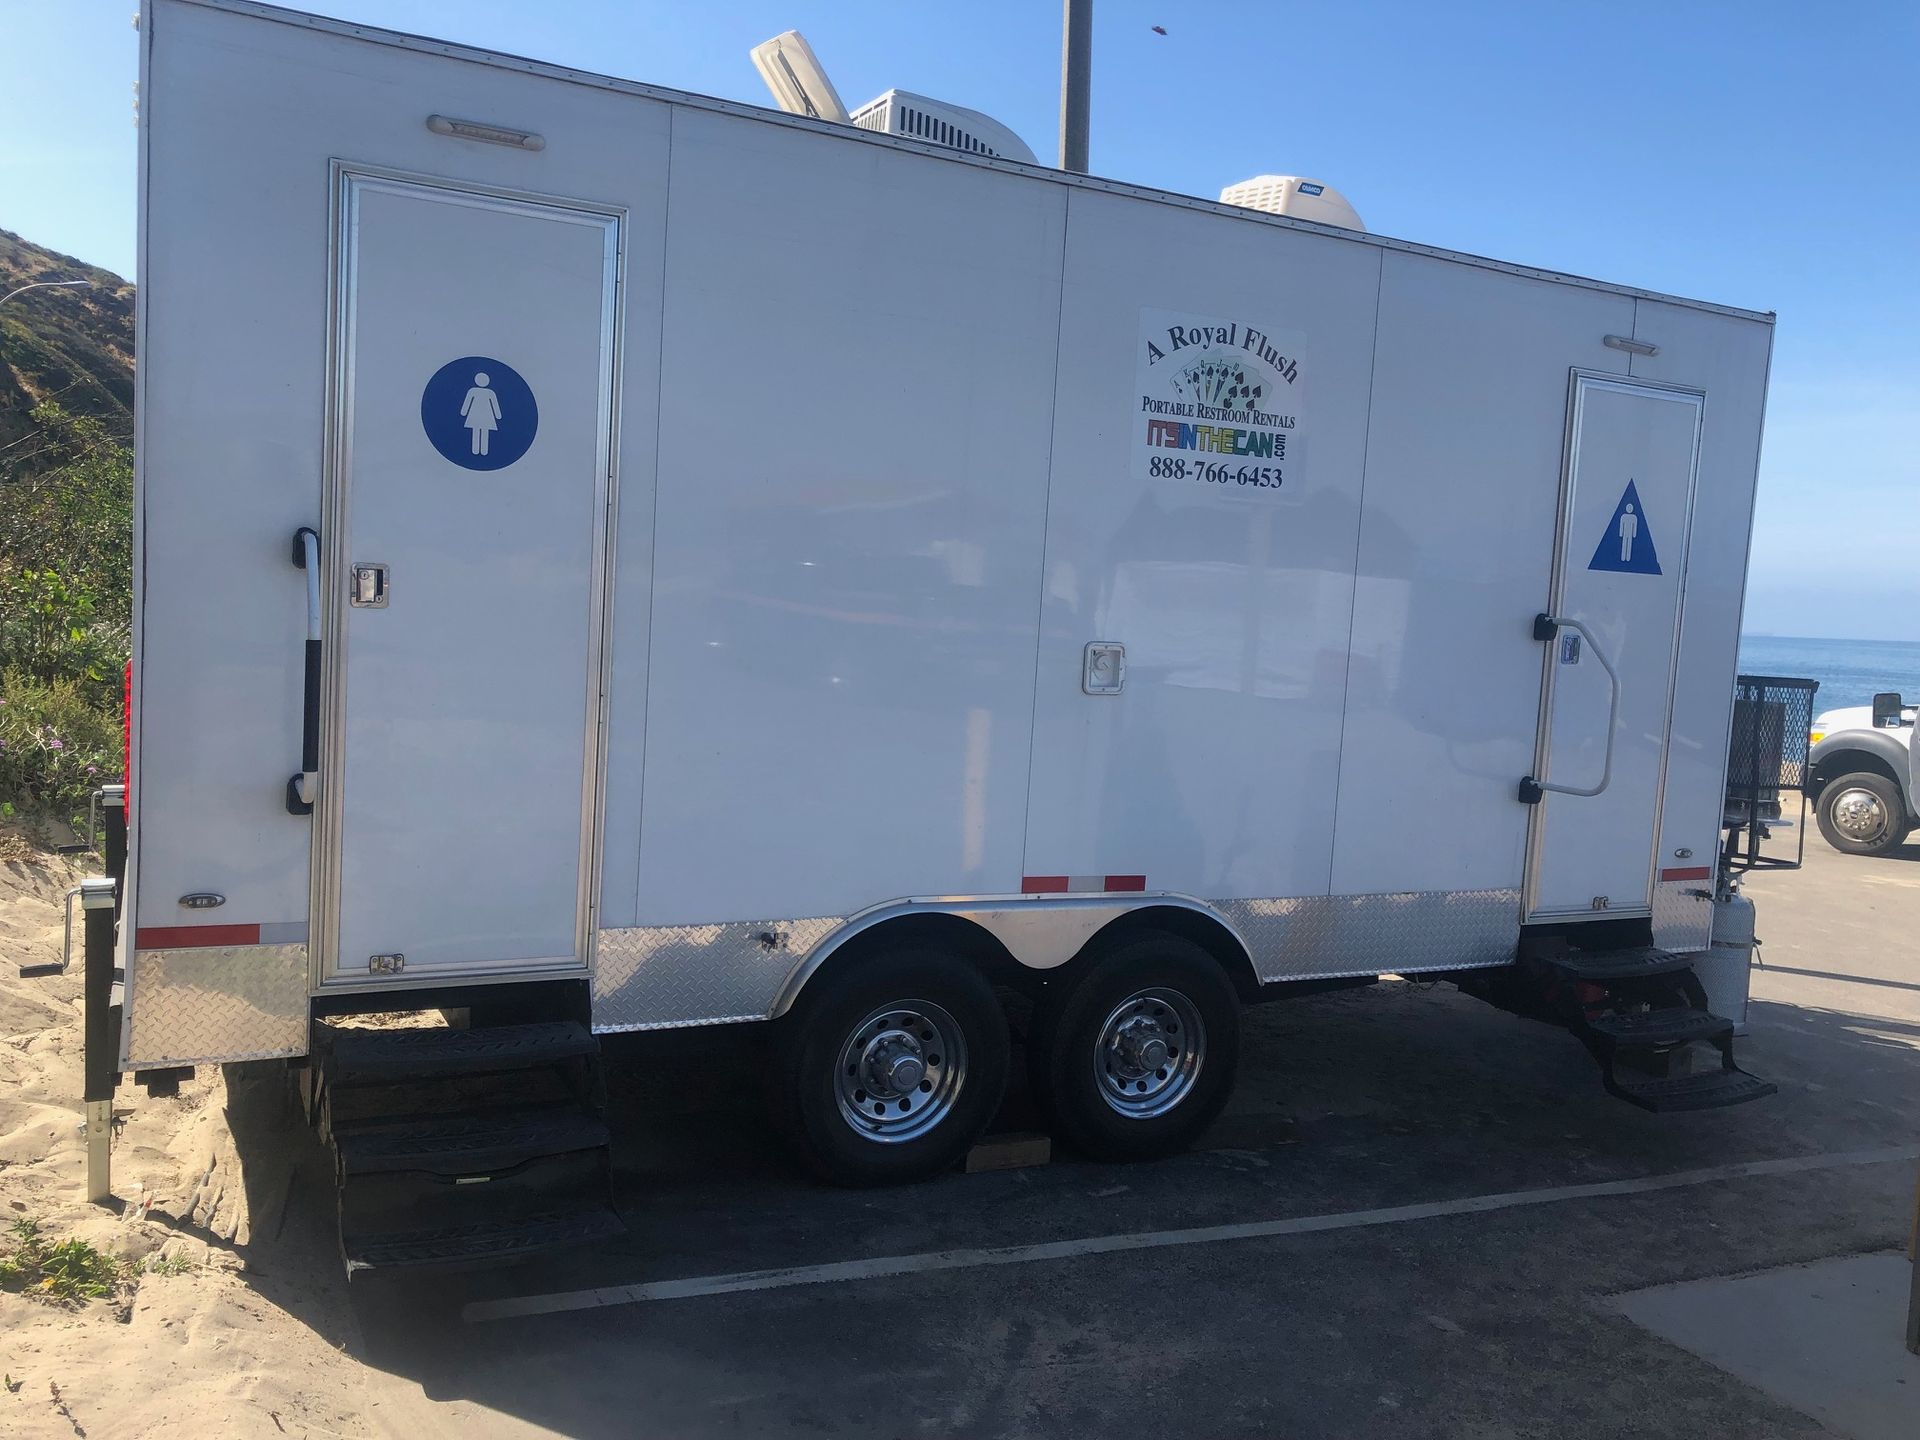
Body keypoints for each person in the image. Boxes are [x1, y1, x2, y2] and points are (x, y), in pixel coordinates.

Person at [461, 372, 502, 456]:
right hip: (482, 415)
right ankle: (480, 451)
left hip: (480, 415)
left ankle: (480, 451)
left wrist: (463, 413)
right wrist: (498, 416)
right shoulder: (481, 392)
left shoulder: (483, 392)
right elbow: (467, 402)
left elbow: (494, 404)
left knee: (479, 432)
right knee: (481, 432)